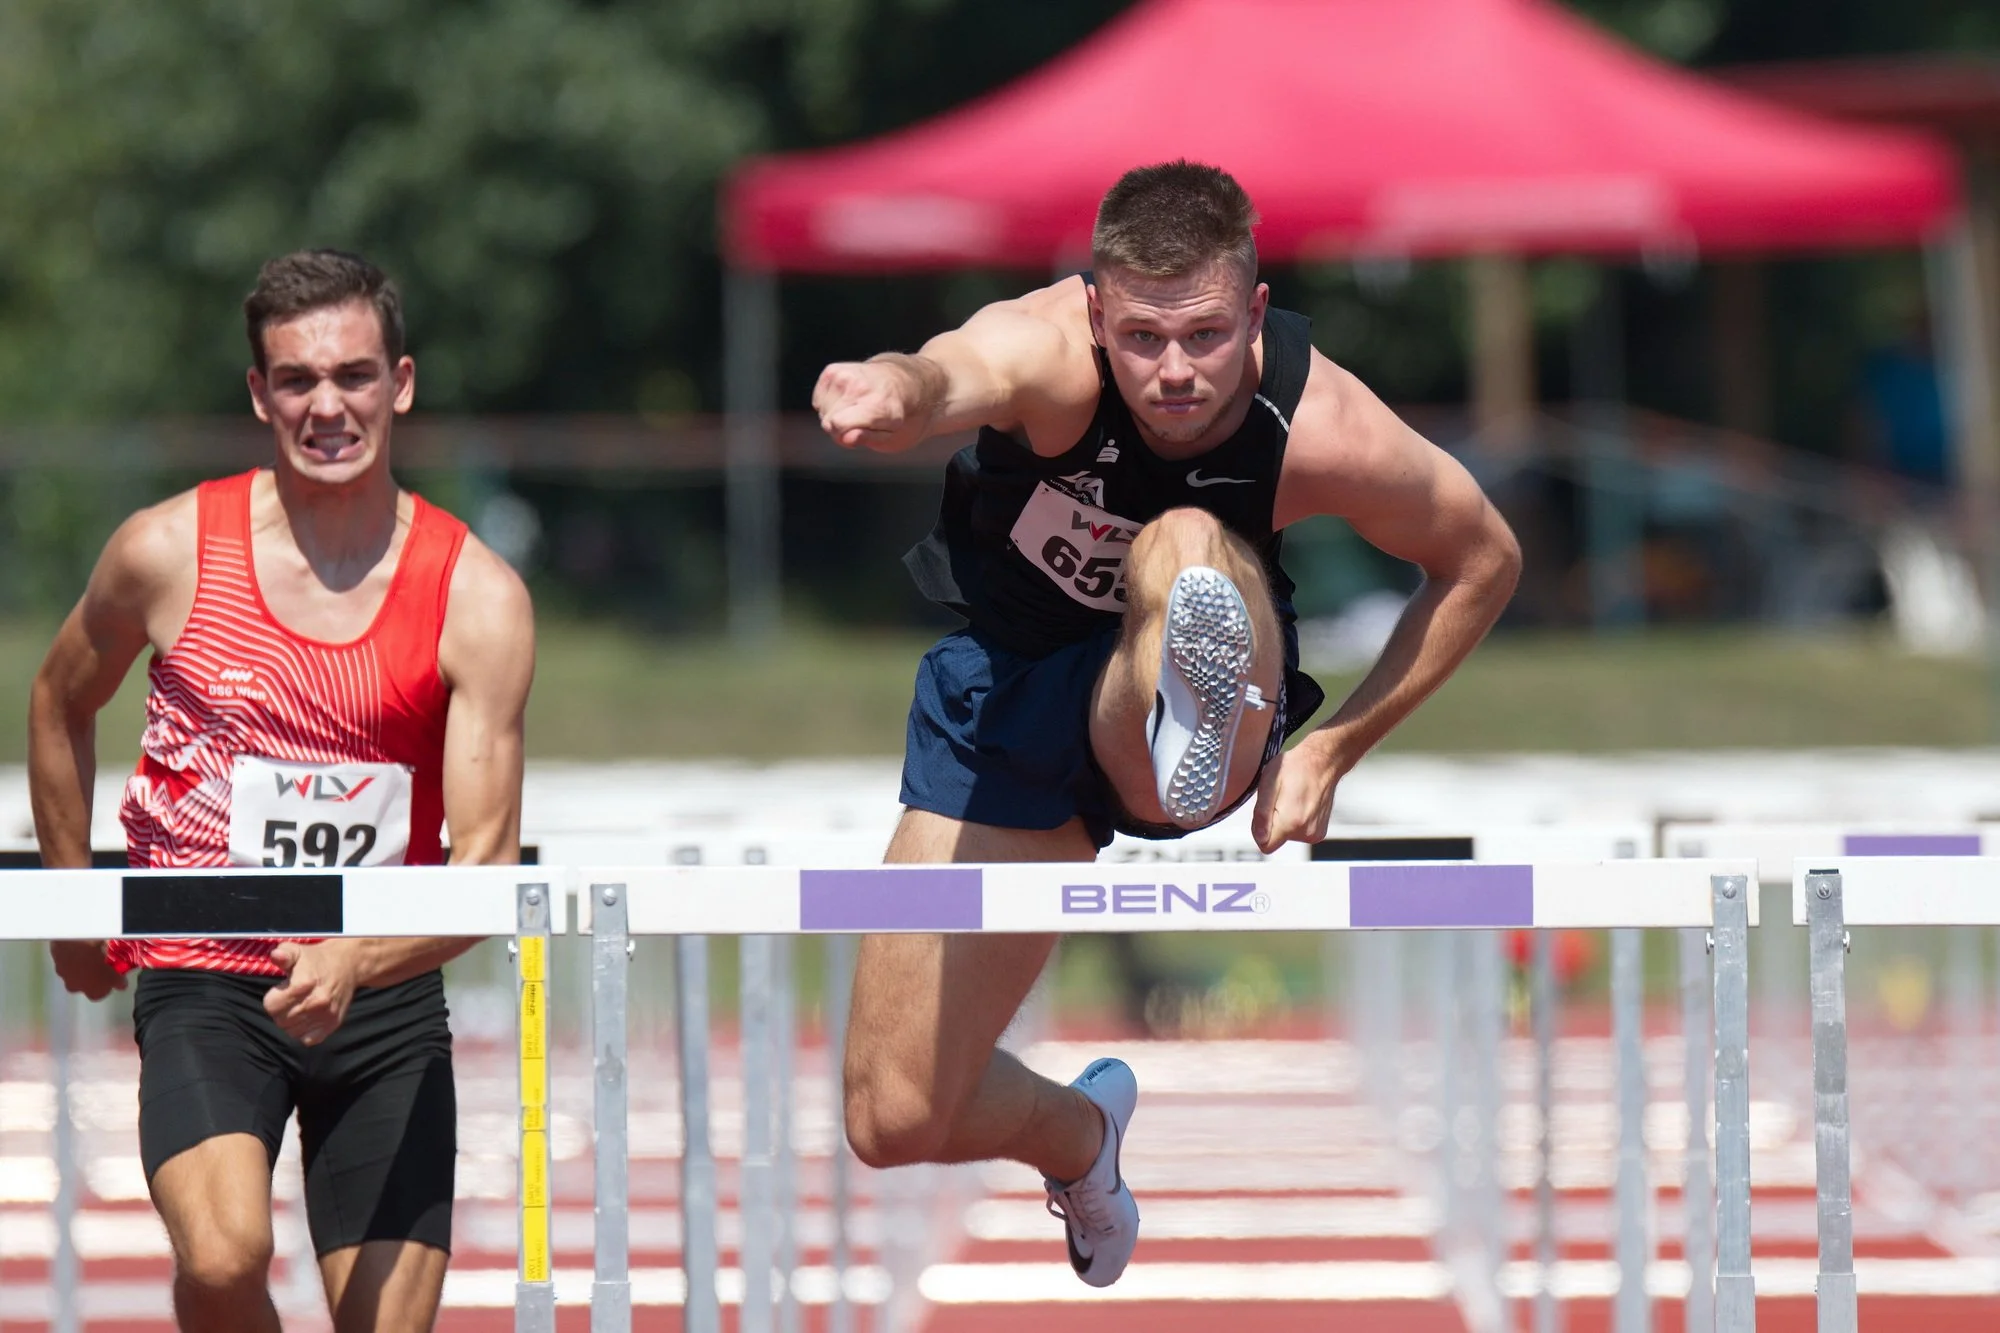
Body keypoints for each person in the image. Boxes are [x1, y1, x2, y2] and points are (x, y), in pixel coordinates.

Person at [811, 161, 1521, 1287]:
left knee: (1177, 544)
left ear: (1254, 309)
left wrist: (1338, 745)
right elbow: (949, 369)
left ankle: (1180, 712)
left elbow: (1480, 558)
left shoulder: (1318, 417)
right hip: (1014, 695)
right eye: (1142, 339)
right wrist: (890, 389)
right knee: (890, 1111)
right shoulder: (1048, 352)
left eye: (1203, 335)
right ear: (1094, 312)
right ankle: (1081, 1138)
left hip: (1209, 694)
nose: (1175, 372)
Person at [28, 249, 536, 1333]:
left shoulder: (475, 596)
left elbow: (485, 873)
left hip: (383, 995)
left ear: (400, 383)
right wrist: (70, 904)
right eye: (297, 381)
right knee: (221, 1260)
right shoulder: (165, 552)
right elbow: (56, 701)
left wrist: (358, 955)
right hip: (208, 975)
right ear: (259, 393)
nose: (327, 406)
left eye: (353, 376)